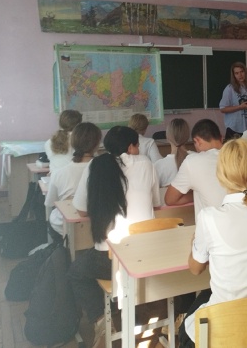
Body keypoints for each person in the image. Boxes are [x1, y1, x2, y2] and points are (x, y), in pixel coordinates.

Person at [178, 139, 247, 348]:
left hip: (222, 334)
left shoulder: (209, 217)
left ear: (221, 174)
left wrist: (194, 245)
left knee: (185, 330)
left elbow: (195, 269)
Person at [68, 126, 160, 346]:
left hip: (110, 259)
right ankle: (146, 313)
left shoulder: (96, 165)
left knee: (75, 272)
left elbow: (81, 210)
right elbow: (156, 202)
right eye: (137, 146)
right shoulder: (147, 164)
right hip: (147, 254)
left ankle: (101, 320)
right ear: (131, 147)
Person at [45, 122, 101, 239]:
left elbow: (50, 203)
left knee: (53, 216)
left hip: (65, 227)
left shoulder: (58, 173)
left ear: (72, 143)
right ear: (97, 145)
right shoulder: (106, 170)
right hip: (98, 227)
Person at [165, 119, 227, 220]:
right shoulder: (239, 157)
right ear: (221, 138)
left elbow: (170, 199)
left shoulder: (192, 161)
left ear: (197, 141)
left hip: (213, 226)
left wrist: (197, 193)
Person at [219, 62, 247, 140]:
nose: (240, 75)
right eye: (237, 73)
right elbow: (223, 109)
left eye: (242, 72)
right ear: (234, 75)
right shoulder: (229, 89)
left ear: (245, 72)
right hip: (234, 128)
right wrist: (240, 107)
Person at [154, 118, 190, 204]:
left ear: (167, 138)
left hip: (168, 211)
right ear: (187, 137)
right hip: (195, 210)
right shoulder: (196, 158)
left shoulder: (158, 165)